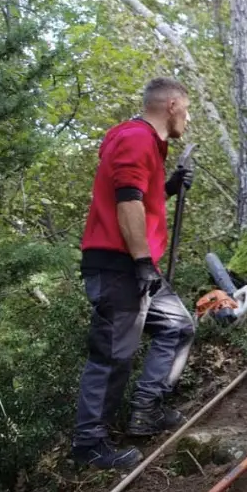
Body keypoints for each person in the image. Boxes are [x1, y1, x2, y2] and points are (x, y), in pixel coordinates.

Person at [72, 77, 197, 470]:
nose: (188, 120)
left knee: (178, 327)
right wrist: (142, 262)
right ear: (173, 105)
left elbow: (138, 196)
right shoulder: (136, 137)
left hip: (134, 264)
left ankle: (147, 409)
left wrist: (169, 187)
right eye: (187, 111)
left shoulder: (142, 143)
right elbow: (127, 203)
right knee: (112, 354)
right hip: (120, 265)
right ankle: (89, 445)